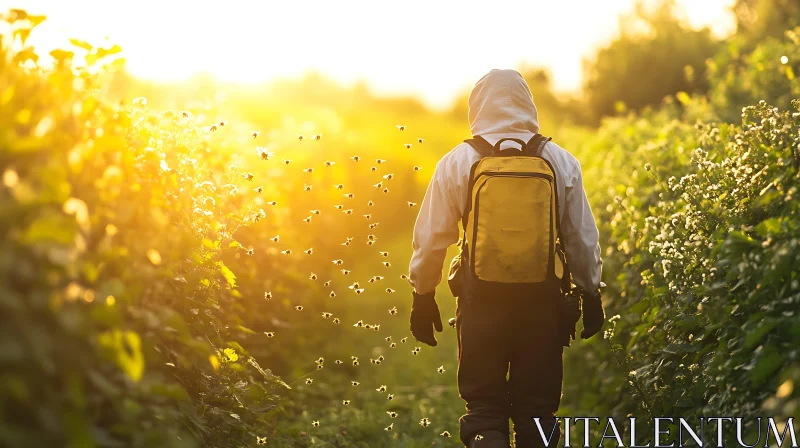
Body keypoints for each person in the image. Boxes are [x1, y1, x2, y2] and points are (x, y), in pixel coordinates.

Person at [407, 69, 605, 448]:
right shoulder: (560, 161)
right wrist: (591, 292)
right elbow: (581, 238)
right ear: (528, 104)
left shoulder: (457, 162)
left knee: (483, 407)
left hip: (481, 301)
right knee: (537, 410)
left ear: (476, 106)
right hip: (543, 303)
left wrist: (423, 294)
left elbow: (431, 238)